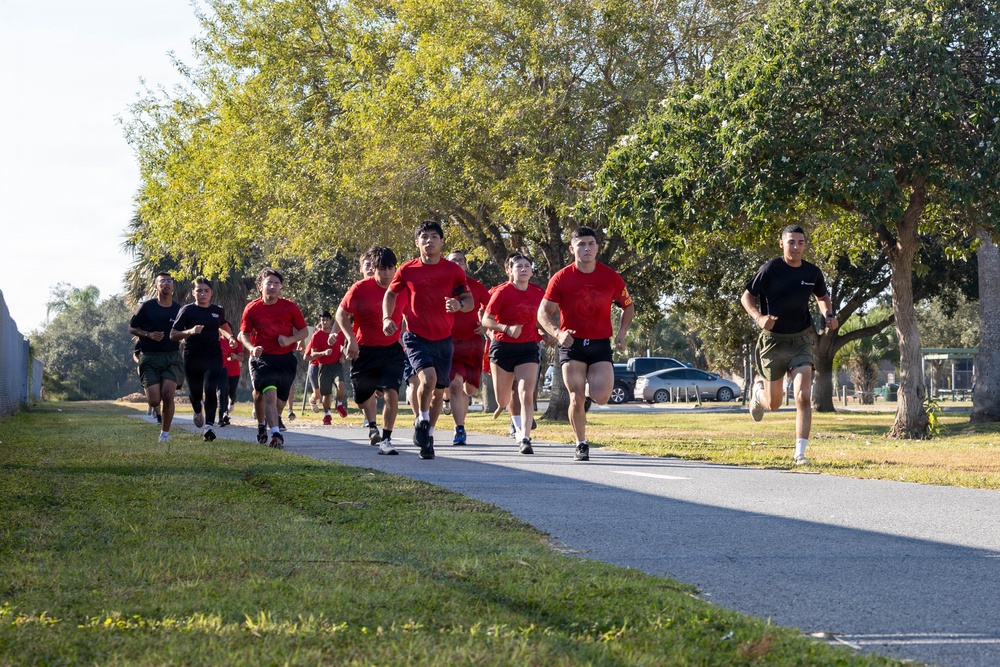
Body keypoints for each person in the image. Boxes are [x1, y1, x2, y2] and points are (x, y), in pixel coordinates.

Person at [740, 225, 839, 466]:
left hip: (800, 340)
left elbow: (822, 297)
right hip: (773, 341)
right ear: (782, 244)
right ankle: (758, 393)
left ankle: (800, 454)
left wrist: (828, 315)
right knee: (773, 405)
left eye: (800, 242)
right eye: (791, 242)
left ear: (805, 245)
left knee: (803, 396)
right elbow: (746, 297)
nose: (796, 247)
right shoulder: (771, 269)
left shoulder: (812, 272)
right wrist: (759, 318)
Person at [538, 227, 634, 462]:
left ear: (597, 248)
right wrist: (558, 333)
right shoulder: (561, 278)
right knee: (575, 397)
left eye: (591, 243)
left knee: (601, 396)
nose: (587, 248)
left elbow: (628, 306)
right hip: (572, 343)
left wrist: (621, 333)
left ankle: (591, 387)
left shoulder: (611, 276)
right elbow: (543, 312)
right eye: (581, 244)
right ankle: (581, 443)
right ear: (572, 249)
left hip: (600, 343)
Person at [383, 221, 472, 460]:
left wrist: (459, 304)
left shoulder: (453, 271)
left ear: (442, 242)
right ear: (417, 242)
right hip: (416, 336)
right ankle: (421, 420)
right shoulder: (407, 269)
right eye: (424, 237)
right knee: (428, 379)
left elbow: (468, 299)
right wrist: (386, 318)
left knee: (438, 391)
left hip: (443, 338)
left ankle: (428, 436)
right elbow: (390, 293)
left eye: (434, 237)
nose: (429, 241)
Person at [337, 246, 406, 455]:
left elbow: (411, 313)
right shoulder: (359, 288)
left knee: (391, 393)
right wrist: (350, 339)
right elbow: (341, 314)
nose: (386, 273)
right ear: (373, 268)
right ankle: (371, 420)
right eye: (382, 269)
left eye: (390, 268)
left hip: (391, 351)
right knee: (360, 397)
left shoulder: (402, 289)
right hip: (364, 351)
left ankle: (386, 439)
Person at [238, 267, 309, 449]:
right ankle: (275, 434)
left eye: (277, 284)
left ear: (281, 287)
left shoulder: (290, 307)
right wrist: (252, 349)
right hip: (263, 359)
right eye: (269, 283)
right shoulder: (252, 308)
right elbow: (243, 334)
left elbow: (303, 331)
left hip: (286, 359)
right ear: (260, 286)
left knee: (279, 401)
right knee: (268, 394)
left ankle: (266, 423)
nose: (273, 287)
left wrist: (290, 339)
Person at [482, 254, 546, 454]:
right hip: (503, 348)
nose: (524, 269)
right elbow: (486, 320)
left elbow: (542, 319)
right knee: (503, 399)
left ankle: (525, 437)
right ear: (510, 271)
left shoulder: (538, 293)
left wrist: (548, 333)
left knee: (526, 393)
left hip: (528, 348)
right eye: (519, 266)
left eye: (527, 266)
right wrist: (506, 328)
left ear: (532, 271)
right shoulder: (502, 293)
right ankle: (511, 418)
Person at [170, 277, 237, 442]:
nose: (203, 294)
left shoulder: (217, 310)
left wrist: (230, 337)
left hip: (213, 355)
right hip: (192, 356)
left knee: (210, 388)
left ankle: (209, 427)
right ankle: (197, 410)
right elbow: (173, 335)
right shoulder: (187, 311)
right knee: (195, 394)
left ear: (211, 293)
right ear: (193, 292)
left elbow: (222, 325)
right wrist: (191, 331)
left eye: (206, 290)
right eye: (199, 290)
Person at [128, 272, 183, 442]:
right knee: (154, 401)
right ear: (156, 287)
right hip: (150, 357)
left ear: (173, 286)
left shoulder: (179, 309)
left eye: (169, 281)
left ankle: (165, 434)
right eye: (162, 281)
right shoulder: (147, 307)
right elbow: (132, 328)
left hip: (172, 357)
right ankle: (155, 406)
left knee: (168, 395)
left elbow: (184, 330)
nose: (166, 283)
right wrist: (148, 334)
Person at [444, 250, 491, 446]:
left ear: (465, 265)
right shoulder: (442, 285)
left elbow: (491, 308)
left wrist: (486, 324)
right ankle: (459, 428)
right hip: (448, 340)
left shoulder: (476, 286)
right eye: (452, 261)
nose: (457, 264)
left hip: (472, 342)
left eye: (460, 261)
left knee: (469, 389)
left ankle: (455, 408)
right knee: (455, 385)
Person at [304, 310, 348, 425]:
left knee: (341, 385)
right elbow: (312, 355)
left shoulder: (338, 333)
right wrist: (323, 353)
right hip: (323, 367)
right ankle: (327, 415)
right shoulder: (317, 336)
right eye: (322, 320)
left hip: (336, 365)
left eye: (327, 319)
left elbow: (344, 346)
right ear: (320, 321)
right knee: (326, 394)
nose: (324, 322)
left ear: (331, 320)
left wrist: (343, 356)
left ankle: (339, 403)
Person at [218, 333, 244, 426]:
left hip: (234, 372)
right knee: (223, 392)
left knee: (231, 392)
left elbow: (242, 357)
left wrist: (235, 356)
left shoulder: (235, 342)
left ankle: (232, 400)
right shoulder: (219, 341)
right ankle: (224, 415)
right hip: (223, 371)